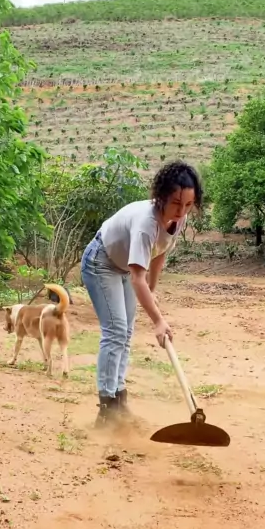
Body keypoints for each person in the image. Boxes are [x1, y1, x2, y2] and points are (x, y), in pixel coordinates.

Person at [81, 160, 202, 427]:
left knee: (125, 333)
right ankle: (107, 410)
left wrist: (152, 290)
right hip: (101, 261)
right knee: (115, 330)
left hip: (124, 266)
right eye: (176, 203)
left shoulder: (178, 219)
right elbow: (138, 278)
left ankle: (119, 401)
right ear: (161, 197)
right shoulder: (146, 223)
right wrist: (158, 320)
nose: (181, 211)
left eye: (188, 205)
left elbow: (159, 253)